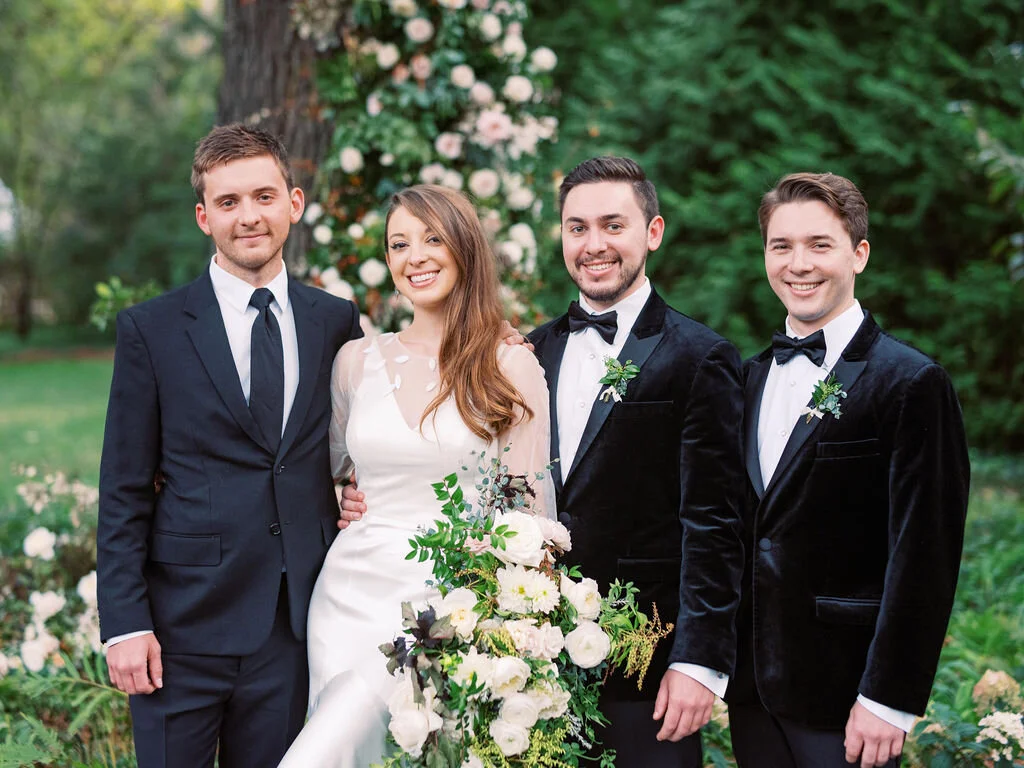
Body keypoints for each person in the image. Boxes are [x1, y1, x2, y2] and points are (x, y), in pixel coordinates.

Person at [343, 157, 746, 767]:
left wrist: (698, 661)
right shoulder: (527, 351)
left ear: (653, 232)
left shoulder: (701, 357)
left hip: (646, 664)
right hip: (524, 660)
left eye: (614, 225)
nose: (595, 245)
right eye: (577, 228)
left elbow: (716, 524)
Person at [96, 124, 361, 768]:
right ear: (204, 216)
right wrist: (126, 624)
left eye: (264, 197)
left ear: (293, 205)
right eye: (229, 202)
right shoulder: (152, 331)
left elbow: (364, 434)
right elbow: (124, 488)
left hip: (292, 626)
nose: (249, 217)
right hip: (181, 626)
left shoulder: (335, 321)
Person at [277, 184, 553, 766]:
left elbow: (530, 514)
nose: (415, 256)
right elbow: (327, 472)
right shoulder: (355, 360)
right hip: (347, 599)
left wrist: (508, 620)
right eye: (398, 243)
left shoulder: (510, 364)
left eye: (431, 238)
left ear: (464, 248)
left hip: (446, 602)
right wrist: (341, 499)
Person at [726, 172, 970, 768]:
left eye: (819, 245)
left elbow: (925, 554)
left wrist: (889, 698)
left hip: (848, 695)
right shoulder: (746, 377)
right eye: (781, 246)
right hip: (751, 690)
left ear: (859, 254)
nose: (798, 264)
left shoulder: (911, 382)